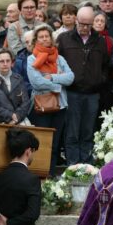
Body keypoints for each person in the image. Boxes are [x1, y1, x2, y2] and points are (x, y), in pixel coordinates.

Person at [57, 6, 109, 164]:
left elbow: (105, 65)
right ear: (76, 21)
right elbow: (58, 63)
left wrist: (100, 79)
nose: (85, 28)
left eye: (88, 24)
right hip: (72, 92)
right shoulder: (64, 39)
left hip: (92, 93)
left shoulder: (99, 41)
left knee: (88, 132)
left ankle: (87, 167)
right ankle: (73, 167)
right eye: (82, 24)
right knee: (72, 132)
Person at [27, 26, 74, 175]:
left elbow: (71, 77)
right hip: (41, 107)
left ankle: (51, 176)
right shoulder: (32, 58)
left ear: (51, 38)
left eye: (47, 36)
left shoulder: (59, 58)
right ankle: (40, 175)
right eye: (41, 37)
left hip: (60, 107)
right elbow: (36, 82)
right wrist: (58, 86)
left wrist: (53, 77)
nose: (44, 39)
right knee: (42, 144)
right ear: (36, 40)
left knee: (54, 144)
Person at [0, 48, 31, 124]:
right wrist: (10, 115)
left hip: (19, 120)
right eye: (1, 61)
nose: (5, 64)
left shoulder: (18, 78)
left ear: (12, 63)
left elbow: (26, 102)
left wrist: (17, 117)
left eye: (8, 61)